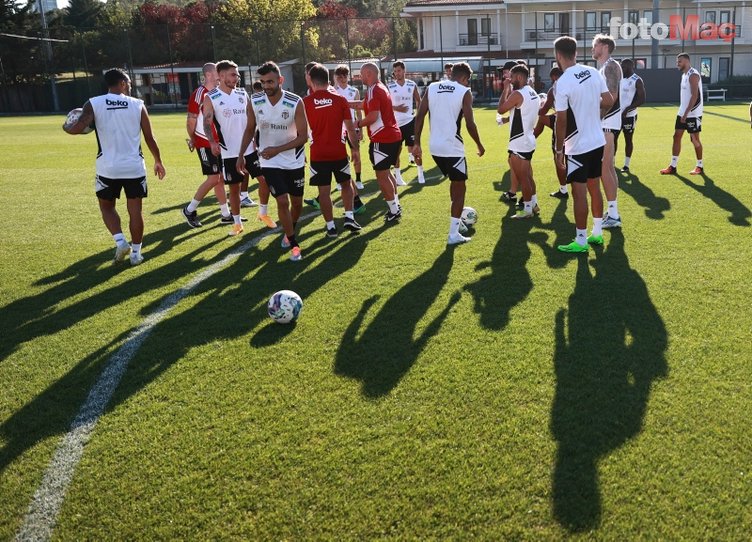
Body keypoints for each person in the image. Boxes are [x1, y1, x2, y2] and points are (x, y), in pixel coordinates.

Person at [63, 67, 166, 266]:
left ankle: (120, 241)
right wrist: (158, 160)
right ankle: (136, 254)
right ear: (120, 83)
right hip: (134, 167)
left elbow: (76, 128)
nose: (129, 86)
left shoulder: (93, 103)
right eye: (127, 82)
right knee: (135, 211)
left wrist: (66, 126)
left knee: (107, 207)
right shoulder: (138, 104)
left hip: (107, 168)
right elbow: (150, 137)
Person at [238, 61, 308, 261]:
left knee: (296, 203)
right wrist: (242, 154)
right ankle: (293, 243)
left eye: (270, 81)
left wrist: (278, 149)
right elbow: (250, 129)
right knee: (282, 200)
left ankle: (289, 230)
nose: (266, 86)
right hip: (269, 160)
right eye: (263, 82)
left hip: (293, 159)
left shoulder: (295, 102)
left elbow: (303, 137)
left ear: (280, 80)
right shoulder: (255, 100)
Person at [553, 36, 614, 253]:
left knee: (578, 193)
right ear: (576, 52)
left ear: (558, 55)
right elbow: (608, 100)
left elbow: (561, 121)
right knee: (594, 187)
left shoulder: (562, 83)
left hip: (577, 145)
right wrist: (591, 103)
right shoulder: (592, 71)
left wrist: (558, 150)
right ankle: (596, 233)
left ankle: (580, 241)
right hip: (597, 141)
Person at [414, 62, 485, 245]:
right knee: (460, 188)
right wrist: (479, 144)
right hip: (452, 147)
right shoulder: (464, 92)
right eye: (467, 80)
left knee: (455, 183)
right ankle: (453, 234)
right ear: (463, 78)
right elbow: (470, 123)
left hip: (434, 148)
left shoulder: (432, 87)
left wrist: (416, 143)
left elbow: (420, 115)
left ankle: (458, 222)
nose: (467, 84)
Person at [302, 63, 362, 237]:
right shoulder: (340, 100)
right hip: (339, 152)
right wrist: (356, 150)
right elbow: (350, 129)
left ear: (311, 81)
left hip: (318, 154)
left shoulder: (305, 102)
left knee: (324, 192)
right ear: (329, 80)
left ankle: (330, 227)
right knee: (345, 184)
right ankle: (349, 217)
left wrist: (300, 152)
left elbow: (300, 131)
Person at [202, 60, 261, 237]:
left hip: (250, 149)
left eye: (237, 74)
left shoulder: (243, 94)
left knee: (264, 180)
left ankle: (263, 213)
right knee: (234, 189)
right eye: (233, 74)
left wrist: (256, 140)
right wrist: (212, 142)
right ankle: (236, 223)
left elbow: (252, 120)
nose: (237, 78)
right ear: (221, 76)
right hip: (229, 153)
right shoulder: (211, 97)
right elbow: (207, 122)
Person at [182, 63, 237, 228]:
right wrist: (192, 138)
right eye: (216, 72)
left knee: (219, 178)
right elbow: (191, 119)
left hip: (217, 142)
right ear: (208, 74)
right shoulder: (199, 93)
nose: (219, 75)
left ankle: (226, 214)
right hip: (204, 142)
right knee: (214, 178)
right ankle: (189, 209)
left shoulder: (216, 93)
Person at [355, 62, 403, 223]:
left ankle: (394, 210)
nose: (360, 77)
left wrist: (357, 125)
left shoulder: (373, 90)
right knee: (387, 173)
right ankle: (396, 205)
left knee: (382, 176)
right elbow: (364, 105)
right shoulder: (379, 87)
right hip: (393, 136)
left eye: (361, 74)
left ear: (368, 73)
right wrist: (342, 103)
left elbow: (372, 117)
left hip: (382, 138)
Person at [497, 64, 541, 219]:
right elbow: (519, 114)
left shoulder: (518, 94)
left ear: (520, 77)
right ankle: (534, 204)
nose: (510, 79)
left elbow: (501, 109)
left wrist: (505, 88)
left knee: (524, 178)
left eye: (512, 76)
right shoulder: (532, 92)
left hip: (519, 142)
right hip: (528, 139)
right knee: (528, 176)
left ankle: (528, 209)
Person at [592, 34, 623, 229]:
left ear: (603, 46)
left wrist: (596, 118)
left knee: (604, 168)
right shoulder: (604, 67)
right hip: (608, 123)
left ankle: (613, 215)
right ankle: (612, 212)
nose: (592, 49)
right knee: (609, 167)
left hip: (607, 123)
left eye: (595, 45)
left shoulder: (610, 66)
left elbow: (611, 97)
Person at [660, 53, 704, 176]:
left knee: (694, 140)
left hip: (693, 113)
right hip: (683, 112)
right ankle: (673, 166)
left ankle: (700, 166)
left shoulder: (693, 75)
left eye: (679, 61)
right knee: (676, 136)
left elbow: (695, 96)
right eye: (677, 61)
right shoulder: (684, 75)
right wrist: (682, 113)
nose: (677, 64)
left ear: (686, 61)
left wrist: (686, 114)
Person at [533, 66, 568, 199]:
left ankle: (563, 190)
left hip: (562, 125)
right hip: (578, 126)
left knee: (558, 157)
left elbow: (543, 111)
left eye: (555, 80)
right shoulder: (575, 84)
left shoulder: (554, 89)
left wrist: (540, 106)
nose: (554, 83)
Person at [388, 61, 425, 185]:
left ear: (404, 71)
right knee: (396, 151)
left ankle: (420, 173)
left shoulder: (411, 84)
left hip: (410, 122)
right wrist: (397, 108)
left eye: (399, 70)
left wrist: (417, 116)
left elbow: (418, 101)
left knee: (416, 149)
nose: (397, 73)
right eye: (395, 71)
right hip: (396, 124)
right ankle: (398, 177)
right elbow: (386, 105)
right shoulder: (390, 87)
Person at [498, 60, 525, 206]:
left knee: (523, 167)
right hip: (519, 133)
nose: (503, 74)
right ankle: (513, 192)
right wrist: (506, 120)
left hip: (520, 135)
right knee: (513, 163)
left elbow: (501, 108)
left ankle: (528, 199)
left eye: (505, 71)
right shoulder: (519, 90)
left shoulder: (517, 91)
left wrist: (505, 89)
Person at [333, 64, 365, 190]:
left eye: (345, 75)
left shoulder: (354, 91)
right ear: (336, 77)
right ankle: (340, 180)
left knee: (356, 154)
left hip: (352, 127)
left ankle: (358, 179)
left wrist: (361, 129)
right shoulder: (333, 91)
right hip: (337, 129)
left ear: (348, 76)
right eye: (339, 76)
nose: (342, 78)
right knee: (339, 156)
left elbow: (358, 112)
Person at [616, 58, 646, 173]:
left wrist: (628, 109)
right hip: (617, 116)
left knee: (628, 139)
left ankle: (626, 165)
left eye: (623, 67)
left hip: (629, 116)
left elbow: (642, 99)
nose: (621, 69)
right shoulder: (620, 79)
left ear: (629, 67)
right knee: (613, 138)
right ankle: (612, 163)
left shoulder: (637, 80)